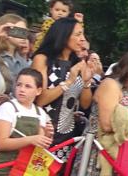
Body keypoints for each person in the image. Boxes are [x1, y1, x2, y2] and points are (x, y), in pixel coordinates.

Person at [31, 17, 96, 145]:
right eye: (78, 34)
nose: (83, 38)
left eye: (83, 34)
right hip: (42, 132)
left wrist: (87, 82)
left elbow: (85, 104)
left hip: (66, 136)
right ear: (63, 36)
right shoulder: (42, 59)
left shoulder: (78, 63)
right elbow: (40, 100)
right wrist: (69, 81)